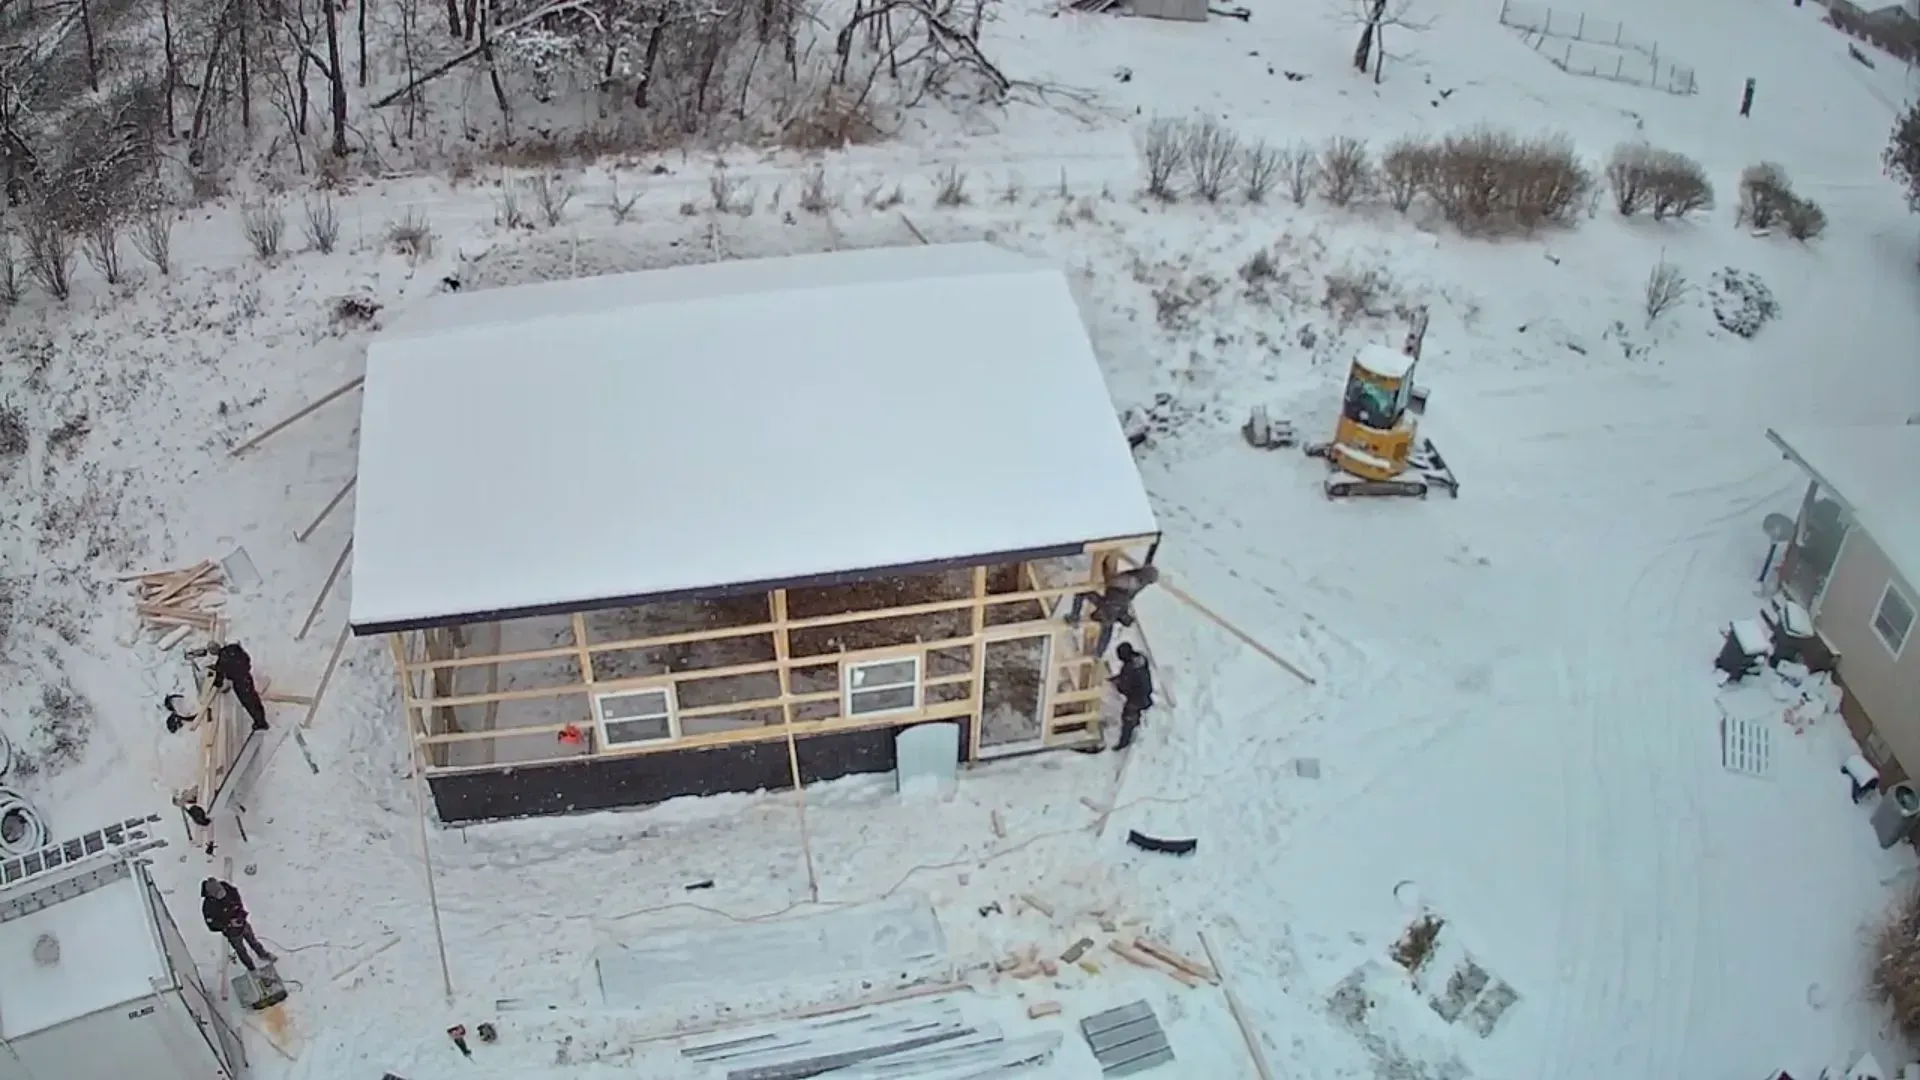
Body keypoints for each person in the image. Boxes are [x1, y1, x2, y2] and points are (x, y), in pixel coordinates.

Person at [1074, 564, 1161, 658]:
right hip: (1117, 591)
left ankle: (1074, 616)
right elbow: (1106, 633)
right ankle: (1074, 617)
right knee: (1107, 625)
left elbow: (1106, 633)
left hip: (1119, 591)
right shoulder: (1108, 610)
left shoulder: (1117, 609)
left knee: (1106, 624)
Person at [202, 878, 274, 971]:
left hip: (243, 923)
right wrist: (228, 924)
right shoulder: (208, 907)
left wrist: (240, 914)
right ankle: (251, 968)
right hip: (231, 932)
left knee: (253, 940)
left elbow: (238, 900)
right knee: (241, 951)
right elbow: (212, 925)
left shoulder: (229, 889)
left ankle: (263, 954)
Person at [211, 641, 269, 732]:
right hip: (247, 677)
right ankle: (262, 717)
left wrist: (215, 685)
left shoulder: (221, 662)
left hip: (239, 683)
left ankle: (260, 723)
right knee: (254, 698)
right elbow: (246, 658)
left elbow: (219, 681)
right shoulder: (233, 648)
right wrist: (245, 668)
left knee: (248, 702)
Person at [1110, 643, 1154, 751]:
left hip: (1136, 698)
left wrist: (1118, 684)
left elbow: (1124, 687)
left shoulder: (1128, 668)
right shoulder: (1140, 658)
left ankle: (1124, 742)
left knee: (1127, 717)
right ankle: (1138, 718)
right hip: (1146, 691)